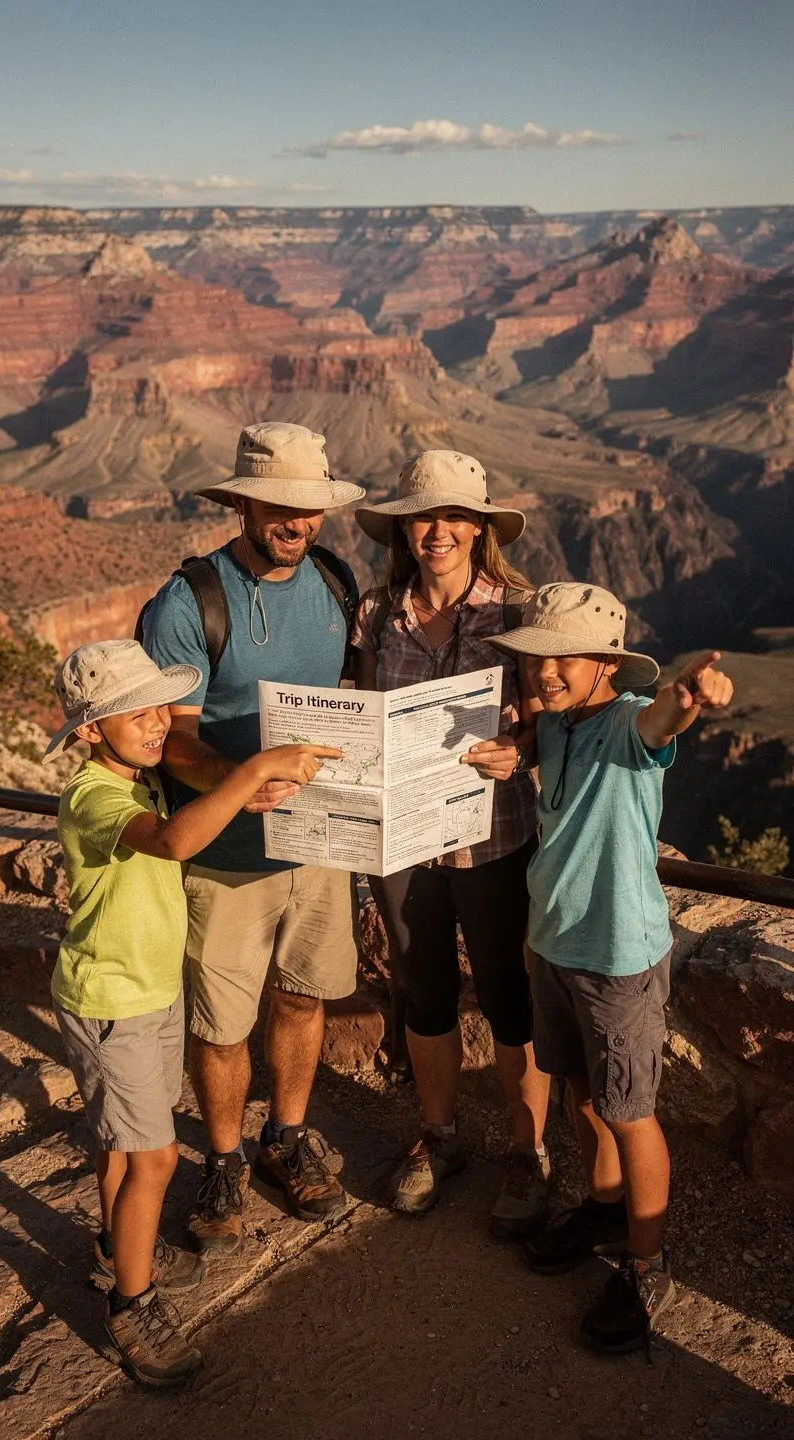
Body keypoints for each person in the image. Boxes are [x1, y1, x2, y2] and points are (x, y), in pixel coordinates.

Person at [45, 638, 339, 1386]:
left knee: (121, 1145)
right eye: (134, 714)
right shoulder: (95, 797)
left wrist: (244, 791)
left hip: (145, 991)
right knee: (156, 1158)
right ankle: (131, 1305)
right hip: (113, 1002)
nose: (156, 725)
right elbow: (175, 841)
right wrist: (254, 769)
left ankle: (119, 1250)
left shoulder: (138, 779)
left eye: (158, 709)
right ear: (89, 730)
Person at [488, 582, 734, 1353]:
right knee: (582, 1093)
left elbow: (664, 720)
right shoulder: (555, 724)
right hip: (554, 944)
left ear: (607, 664)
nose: (546, 671)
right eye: (537, 658)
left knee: (630, 1113)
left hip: (617, 958)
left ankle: (647, 1263)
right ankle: (602, 1207)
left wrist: (690, 698)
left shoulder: (629, 723)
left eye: (566, 658)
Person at [141, 421, 366, 1250]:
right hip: (228, 858)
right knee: (222, 1023)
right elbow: (171, 741)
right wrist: (242, 781)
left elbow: (349, 695)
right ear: (241, 504)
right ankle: (225, 1158)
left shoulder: (335, 582)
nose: (295, 521)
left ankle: (287, 1136)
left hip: (321, 840)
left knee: (304, 995)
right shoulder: (189, 602)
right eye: (277, 505)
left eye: (308, 506)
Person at [352, 450, 552, 1233]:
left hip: (494, 838)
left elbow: (549, 723)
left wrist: (519, 752)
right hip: (405, 841)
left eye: (454, 517)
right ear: (404, 529)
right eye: (423, 518)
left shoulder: (520, 615)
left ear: (478, 528)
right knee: (425, 989)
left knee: (509, 995)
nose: (438, 532)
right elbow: (358, 710)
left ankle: (528, 1153)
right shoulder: (375, 615)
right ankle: (439, 1137)